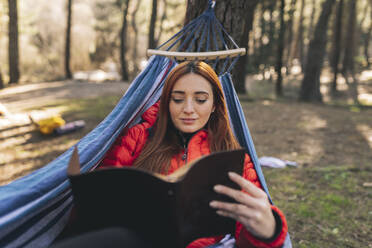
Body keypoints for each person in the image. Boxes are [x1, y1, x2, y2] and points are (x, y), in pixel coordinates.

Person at [100, 61, 288, 248]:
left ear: (214, 105)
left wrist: (267, 231)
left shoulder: (232, 157)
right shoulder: (137, 138)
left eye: (200, 99)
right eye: (178, 99)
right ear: (166, 102)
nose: (188, 109)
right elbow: (99, 197)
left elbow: (246, 234)